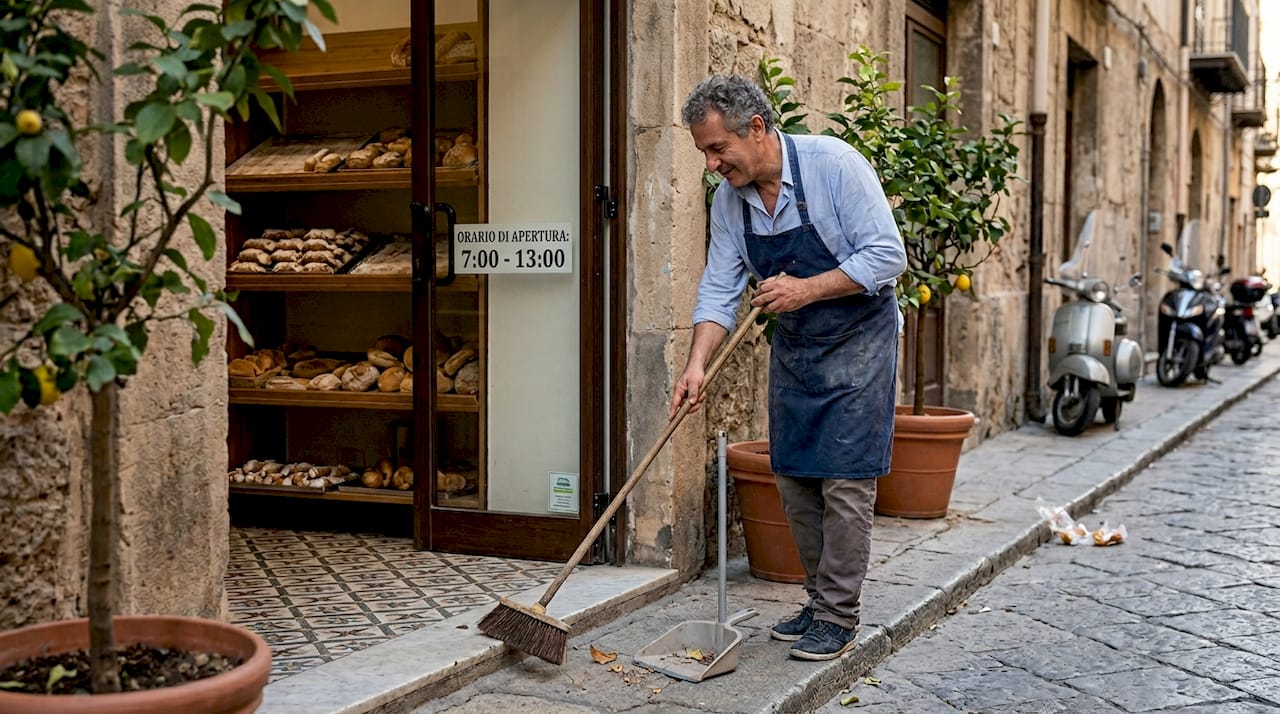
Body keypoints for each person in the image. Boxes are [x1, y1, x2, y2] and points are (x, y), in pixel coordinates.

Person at [671, 74, 906, 661]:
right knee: (795, 476)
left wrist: (806, 289)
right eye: (704, 152)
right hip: (798, 347)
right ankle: (819, 599)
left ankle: (839, 615)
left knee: (845, 478)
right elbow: (720, 288)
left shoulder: (835, 166)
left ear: (756, 128)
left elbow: (887, 255)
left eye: (717, 148)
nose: (711, 164)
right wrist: (696, 365)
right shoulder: (730, 202)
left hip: (860, 340)